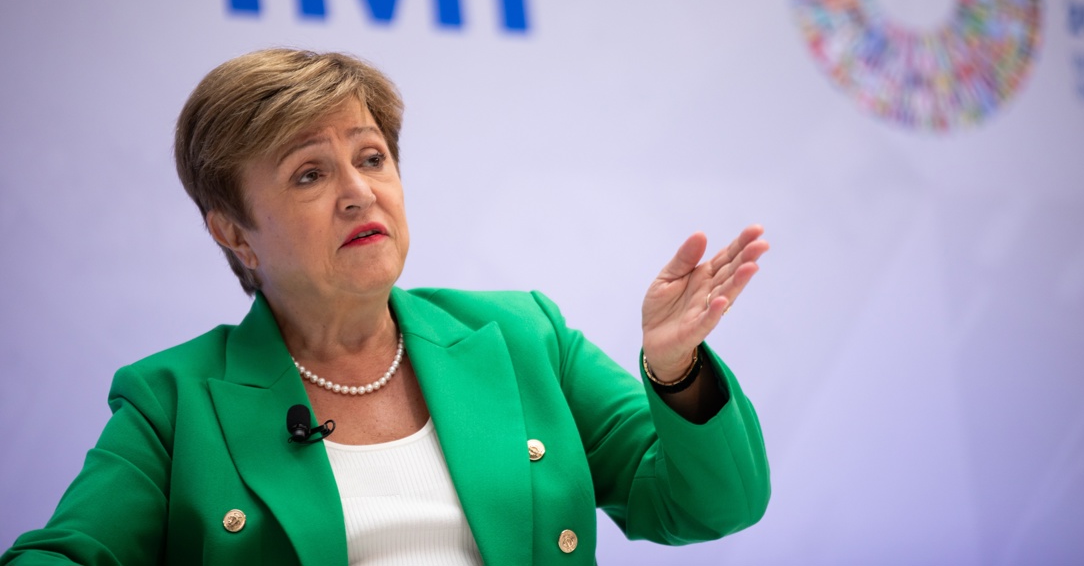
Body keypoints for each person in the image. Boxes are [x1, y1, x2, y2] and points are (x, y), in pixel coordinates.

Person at [2, 49, 770, 565]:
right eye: (309, 173)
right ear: (233, 231)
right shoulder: (174, 402)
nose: (359, 191)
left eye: (372, 158)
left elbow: (712, 504)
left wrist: (676, 369)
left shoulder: (522, 337)